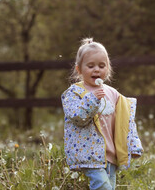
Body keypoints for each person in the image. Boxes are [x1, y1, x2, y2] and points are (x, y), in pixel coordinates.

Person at [61, 38, 143, 190]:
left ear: (108, 69)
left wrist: (133, 146)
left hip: (111, 155)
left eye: (101, 65)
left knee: (109, 187)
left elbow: (126, 121)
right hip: (90, 154)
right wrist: (92, 99)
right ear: (79, 69)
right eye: (90, 66)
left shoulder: (114, 94)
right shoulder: (75, 93)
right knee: (102, 187)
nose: (96, 70)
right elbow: (78, 117)